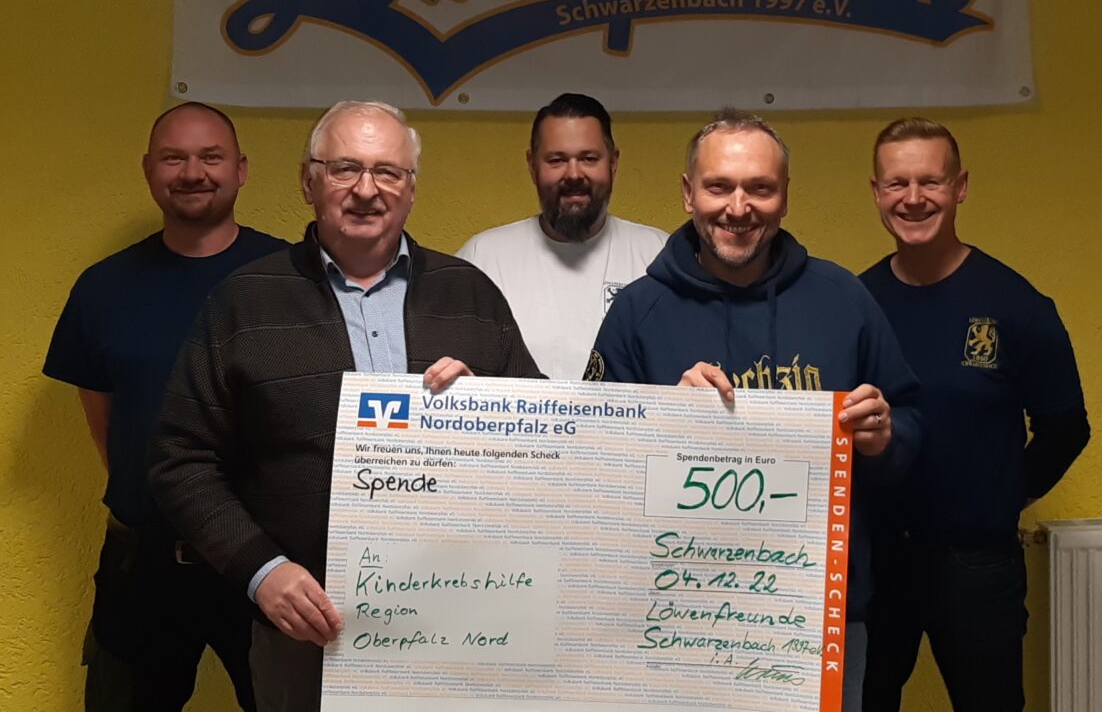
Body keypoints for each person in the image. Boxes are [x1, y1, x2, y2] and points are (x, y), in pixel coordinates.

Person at [148, 100, 542, 712]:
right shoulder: (243, 303)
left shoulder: (471, 295)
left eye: (388, 172)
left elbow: (543, 442)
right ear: (309, 182)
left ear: (411, 189)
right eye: (344, 169)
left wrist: (491, 408)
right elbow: (180, 461)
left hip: (460, 619)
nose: (366, 190)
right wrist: (262, 572)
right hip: (308, 631)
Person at [586, 108, 920, 711]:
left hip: (819, 614)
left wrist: (886, 437)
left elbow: (912, 425)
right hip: (673, 616)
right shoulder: (637, 312)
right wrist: (665, 422)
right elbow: (594, 468)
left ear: (784, 196)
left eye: (759, 188)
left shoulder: (843, 299)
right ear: (688, 193)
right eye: (719, 187)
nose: (738, 208)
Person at [43, 102, 286, 710]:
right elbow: (108, 427)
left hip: (270, 561)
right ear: (148, 169)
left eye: (211, 157)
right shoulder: (103, 287)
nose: (192, 173)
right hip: (144, 564)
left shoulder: (295, 281)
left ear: (241, 170)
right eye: (173, 158)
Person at [859, 118, 1090, 712]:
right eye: (897, 183)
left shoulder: (1017, 306)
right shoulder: (857, 304)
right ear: (877, 192)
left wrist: (1004, 494)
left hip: (977, 565)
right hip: (876, 560)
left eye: (931, 181)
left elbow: (1066, 428)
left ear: (960, 187)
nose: (913, 198)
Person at [457, 93, 666, 379]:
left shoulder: (658, 256)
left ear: (613, 162)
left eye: (589, 158)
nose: (574, 174)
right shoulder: (483, 258)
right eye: (556, 160)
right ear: (532, 166)